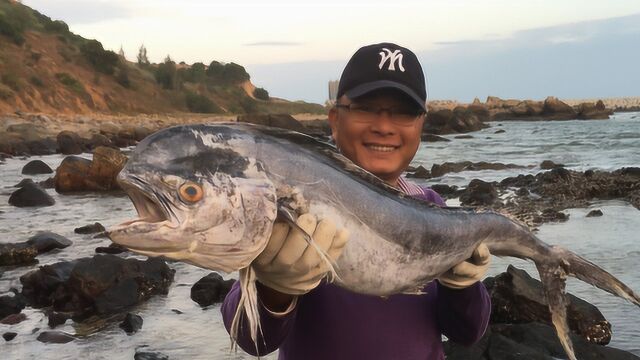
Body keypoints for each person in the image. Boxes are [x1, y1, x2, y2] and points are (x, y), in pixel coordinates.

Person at [222, 42, 491, 359]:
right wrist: (274, 287)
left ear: (421, 126)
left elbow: (467, 331)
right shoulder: (294, 208)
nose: (384, 127)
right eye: (365, 108)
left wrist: (463, 288)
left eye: (404, 113)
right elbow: (253, 340)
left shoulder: (432, 206)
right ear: (334, 120)